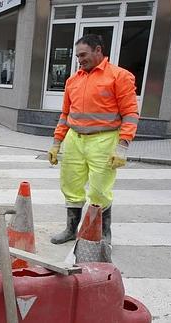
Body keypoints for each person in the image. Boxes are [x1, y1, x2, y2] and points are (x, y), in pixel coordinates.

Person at [48, 34, 139, 245]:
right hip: (74, 139)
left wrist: (123, 146)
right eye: (78, 56)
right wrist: (56, 142)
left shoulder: (119, 76)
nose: (80, 60)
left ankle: (102, 234)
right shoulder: (73, 80)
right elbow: (65, 114)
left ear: (98, 50)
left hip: (104, 140)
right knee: (71, 185)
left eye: (83, 55)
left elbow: (130, 113)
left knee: (99, 190)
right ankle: (71, 229)